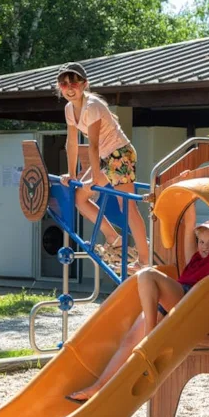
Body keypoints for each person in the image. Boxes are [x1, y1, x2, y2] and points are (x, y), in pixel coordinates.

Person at [66, 203, 209, 402]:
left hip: (190, 301)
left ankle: (149, 340)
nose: (205, 246)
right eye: (202, 241)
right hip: (167, 301)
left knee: (147, 274)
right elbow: (189, 224)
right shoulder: (194, 258)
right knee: (128, 341)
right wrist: (188, 194)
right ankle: (98, 387)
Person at [56, 62, 149, 268]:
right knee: (80, 198)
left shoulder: (93, 107)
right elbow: (72, 142)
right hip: (106, 157)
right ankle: (115, 239)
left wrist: (93, 179)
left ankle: (144, 259)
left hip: (120, 153)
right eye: (64, 84)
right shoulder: (69, 109)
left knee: (127, 205)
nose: (69, 88)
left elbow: (94, 145)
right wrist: (72, 175)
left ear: (85, 84)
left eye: (74, 83)